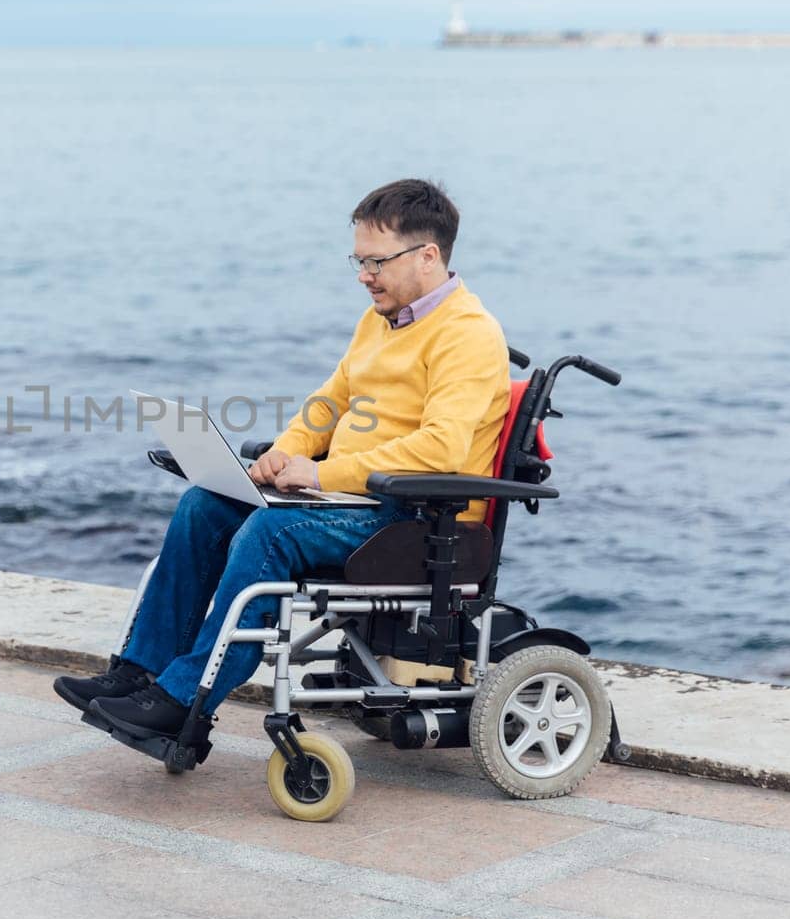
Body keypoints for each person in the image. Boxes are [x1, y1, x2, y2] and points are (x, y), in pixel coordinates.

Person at [53, 178, 511, 746]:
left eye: (376, 262)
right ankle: (140, 672)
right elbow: (328, 404)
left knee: (273, 530)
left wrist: (318, 474)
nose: (364, 276)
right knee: (205, 503)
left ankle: (183, 699)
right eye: (358, 261)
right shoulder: (379, 321)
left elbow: (441, 449)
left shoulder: (468, 334)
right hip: (354, 500)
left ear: (428, 256)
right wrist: (283, 454)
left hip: (418, 515)